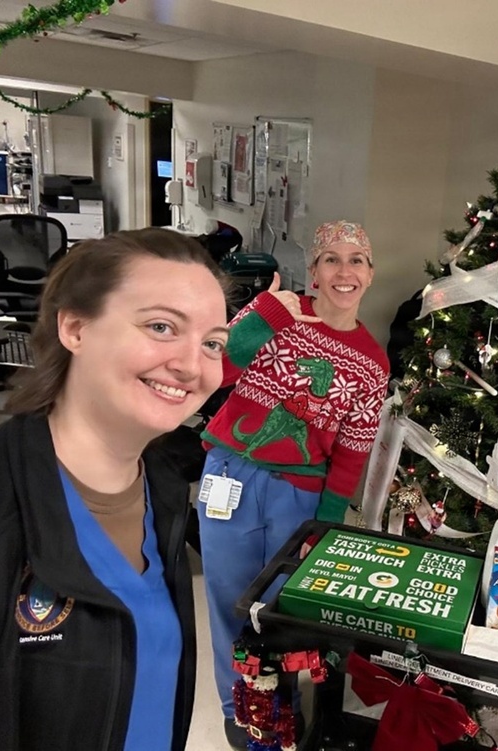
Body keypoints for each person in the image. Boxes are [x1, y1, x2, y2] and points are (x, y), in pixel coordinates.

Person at [0, 228, 230, 750]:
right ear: (74, 327)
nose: (191, 364)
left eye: (212, 343)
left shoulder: (162, 494)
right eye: (161, 327)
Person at [198, 219, 390, 747]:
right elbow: (214, 369)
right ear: (314, 271)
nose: (344, 271)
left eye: (356, 260)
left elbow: (352, 453)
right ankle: (239, 713)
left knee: (280, 611)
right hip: (232, 474)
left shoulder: (373, 364)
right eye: (332, 259)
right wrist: (265, 314)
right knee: (228, 599)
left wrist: (324, 524)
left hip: (299, 494)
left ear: (370, 275)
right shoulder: (281, 315)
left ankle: (276, 706)